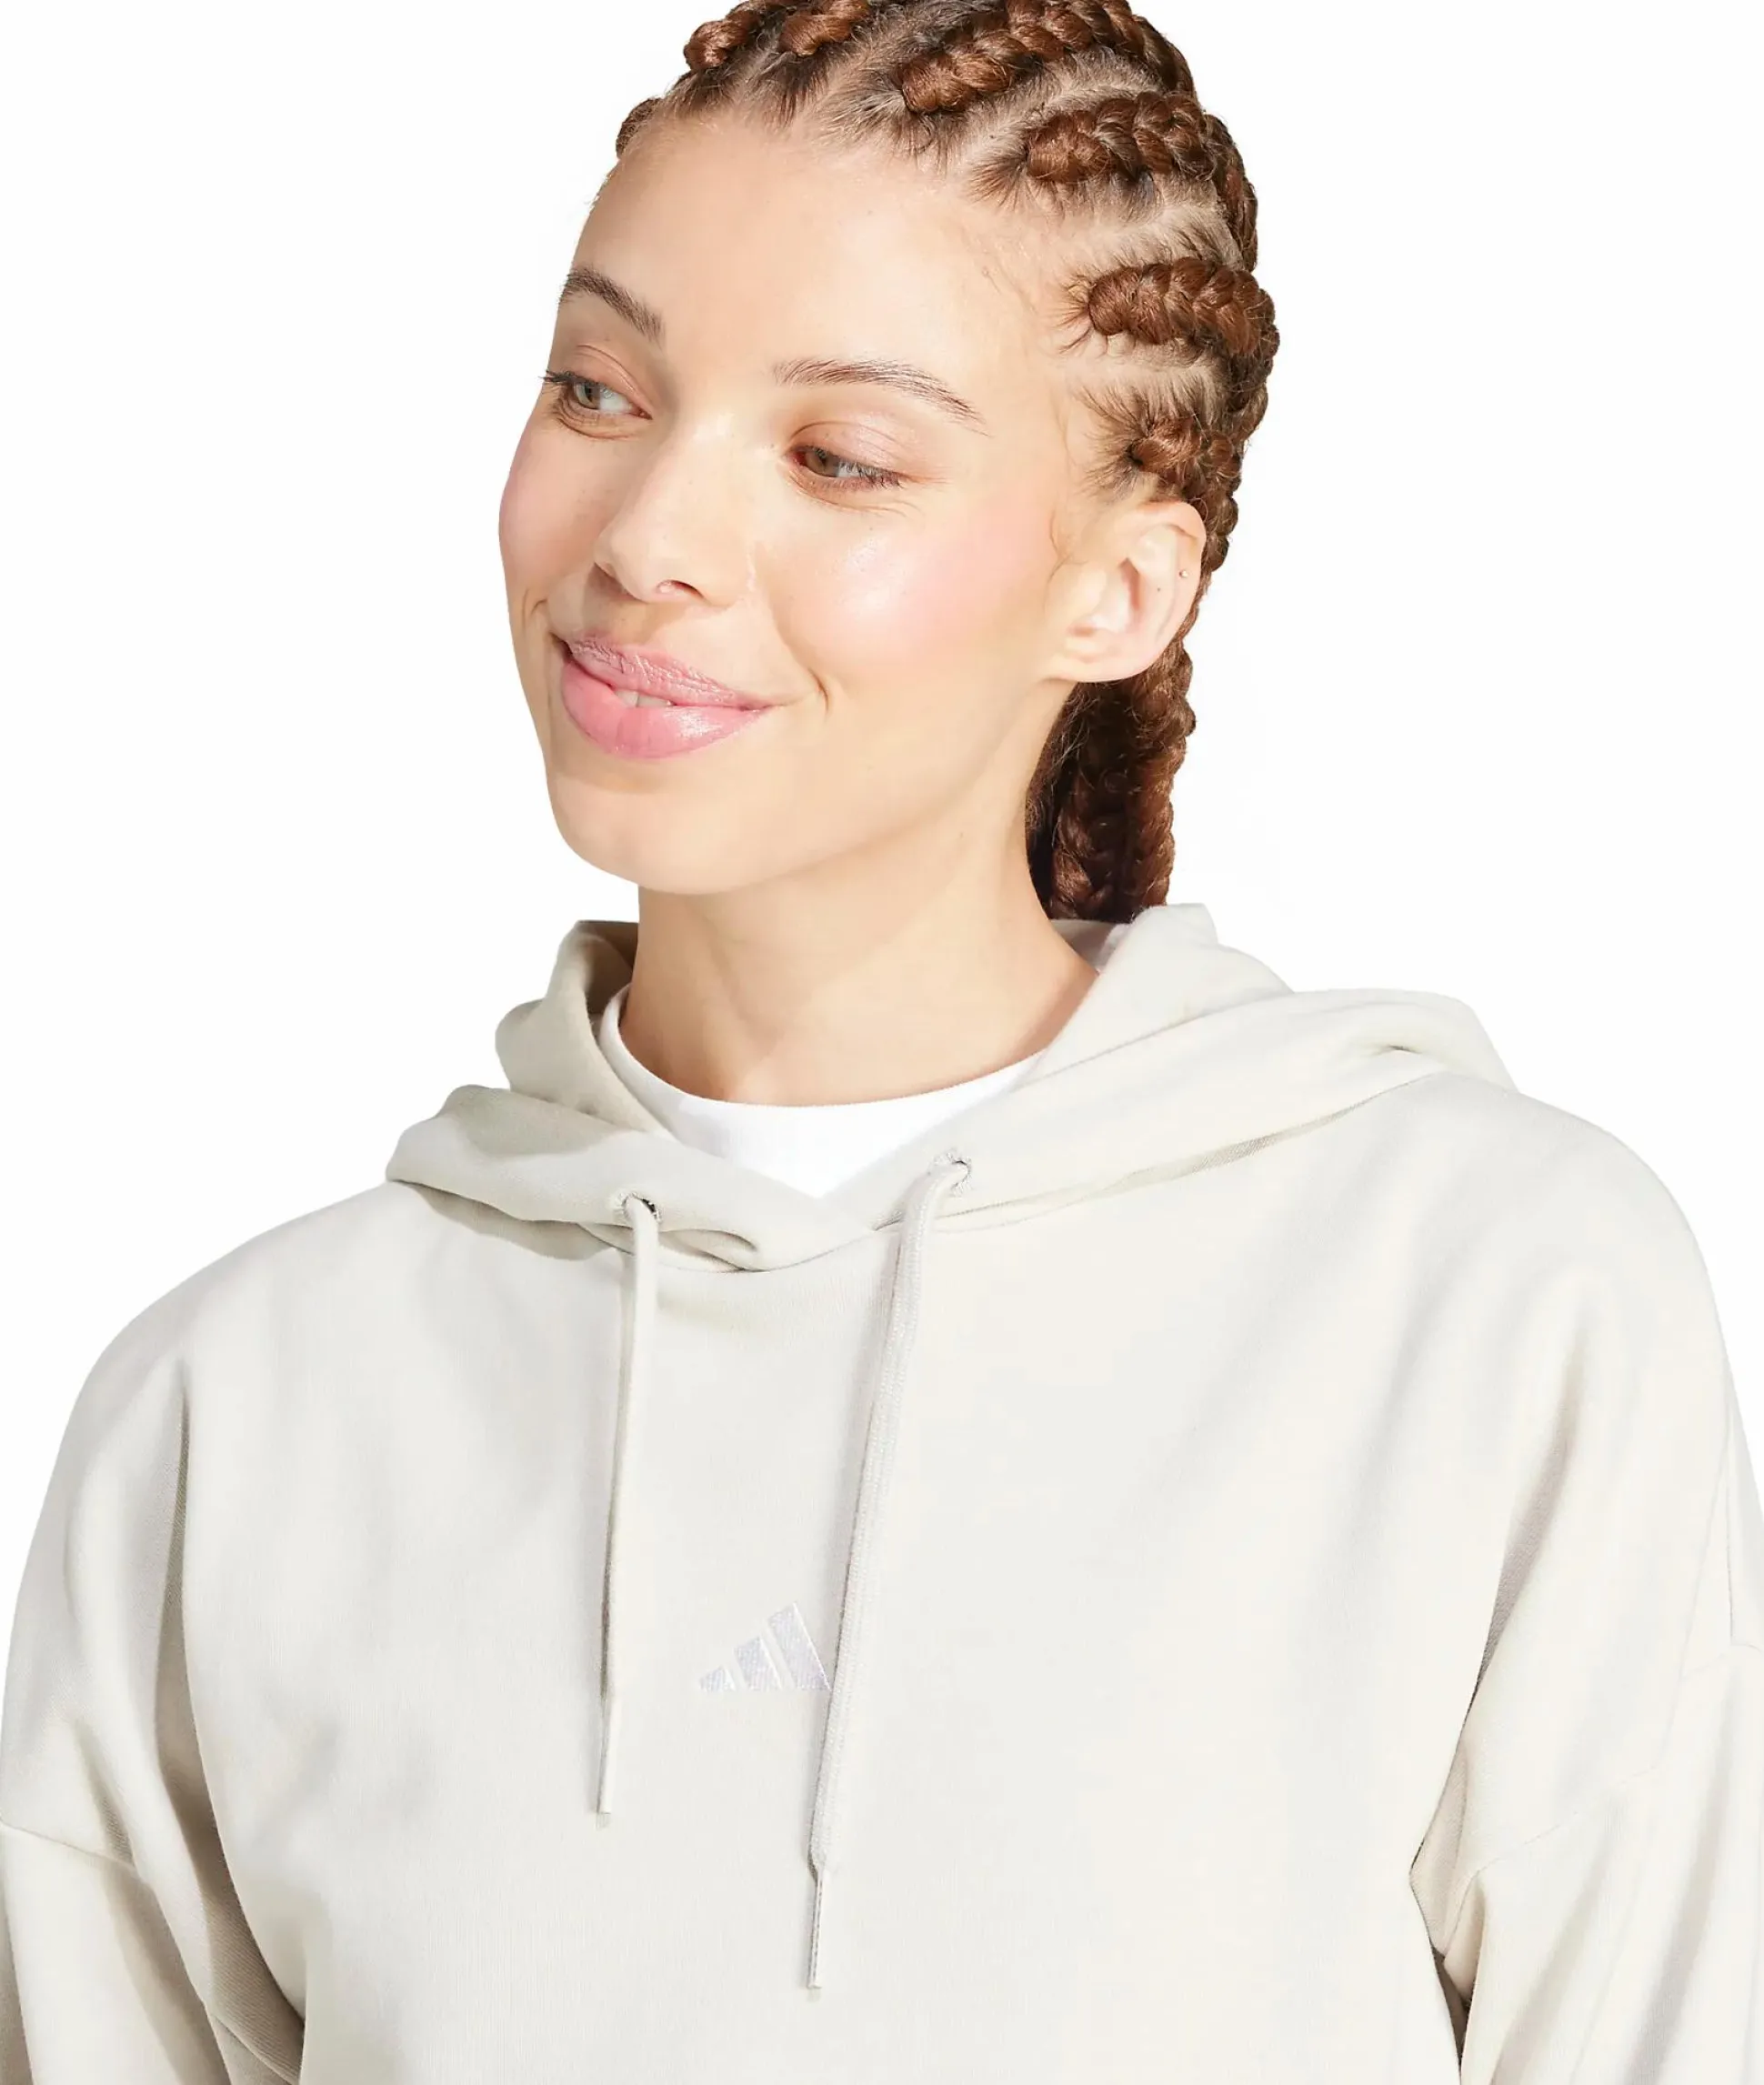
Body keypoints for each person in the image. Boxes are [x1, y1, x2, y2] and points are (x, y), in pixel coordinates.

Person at [3, 0, 1759, 2078]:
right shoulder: (235, 1418)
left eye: (837, 457)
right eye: (597, 389)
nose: (644, 539)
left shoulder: (1488, 1306)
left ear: (1122, 590)